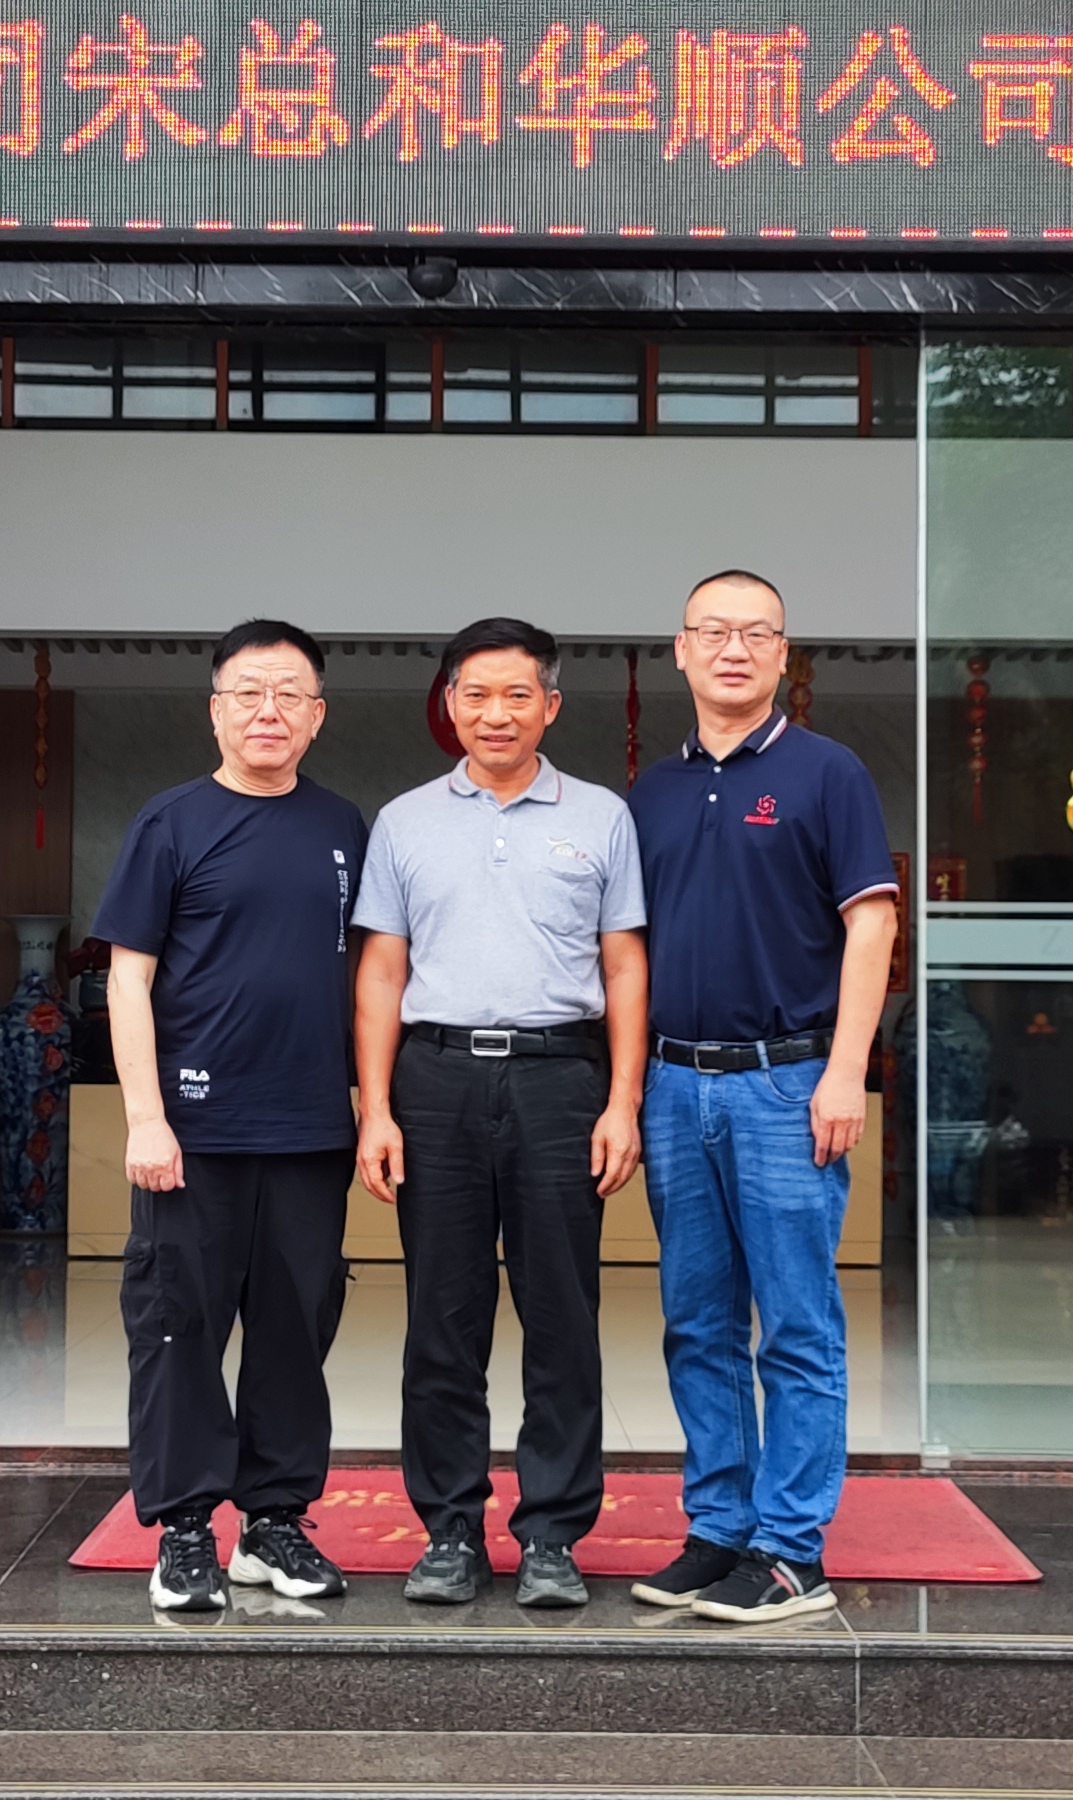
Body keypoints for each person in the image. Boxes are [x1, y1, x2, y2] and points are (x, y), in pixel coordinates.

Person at [353, 617, 649, 1609]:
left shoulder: (602, 817)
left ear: (550, 706)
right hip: (434, 1081)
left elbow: (623, 966)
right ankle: (448, 1531)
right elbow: (381, 972)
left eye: (517, 695)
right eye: (475, 695)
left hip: (560, 1081)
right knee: (442, 1315)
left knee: (561, 1313)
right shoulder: (403, 822)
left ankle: (553, 1534)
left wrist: (622, 1101)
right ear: (449, 705)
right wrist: (375, 1109)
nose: (495, 714)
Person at [625, 570, 900, 1624]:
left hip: (787, 1084)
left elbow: (871, 923)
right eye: (713, 632)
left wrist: (845, 1070)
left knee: (795, 1324)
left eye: (756, 634)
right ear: (681, 649)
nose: (733, 650)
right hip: (672, 1085)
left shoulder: (828, 773)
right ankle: (719, 1529)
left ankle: (791, 1549)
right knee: (696, 1324)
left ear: (784, 655)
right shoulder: (652, 792)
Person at [94, 620, 369, 1614]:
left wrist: (372, 1107)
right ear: (215, 710)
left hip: (310, 1130)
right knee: (180, 1327)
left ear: (317, 716)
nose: (268, 711)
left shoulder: (344, 826)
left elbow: (372, 977)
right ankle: (182, 1530)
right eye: (248, 692)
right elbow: (128, 980)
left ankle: (273, 1522)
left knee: (295, 1329)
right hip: (194, 1133)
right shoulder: (170, 822)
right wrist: (145, 1117)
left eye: (289, 694)